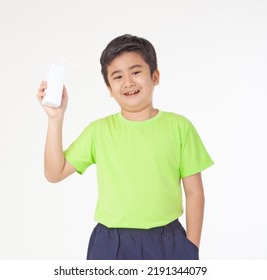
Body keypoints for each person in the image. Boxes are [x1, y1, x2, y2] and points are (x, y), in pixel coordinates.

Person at [36, 34, 214, 260]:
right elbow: (54, 173)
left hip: (167, 241)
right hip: (111, 244)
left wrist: (191, 247)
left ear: (155, 76)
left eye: (136, 72)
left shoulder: (180, 127)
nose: (128, 82)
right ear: (109, 88)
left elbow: (194, 192)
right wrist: (55, 118)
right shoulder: (98, 130)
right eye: (117, 76)